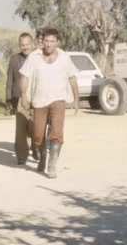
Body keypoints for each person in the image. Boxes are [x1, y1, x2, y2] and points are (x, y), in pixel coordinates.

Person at [18, 28, 78, 178]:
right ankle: (42, 156)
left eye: (52, 41)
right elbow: (24, 76)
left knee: (56, 132)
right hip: (39, 101)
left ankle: (52, 165)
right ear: (42, 41)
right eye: (46, 41)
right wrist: (23, 94)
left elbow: (72, 77)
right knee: (38, 134)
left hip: (58, 99)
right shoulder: (34, 57)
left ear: (57, 42)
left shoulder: (64, 57)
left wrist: (76, 98)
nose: (49, 44)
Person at [6, 32, 41, 166]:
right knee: (20, 129)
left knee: (36, 126)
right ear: (19, 45)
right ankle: (21, 155)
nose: (25, 47)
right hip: (19, 98)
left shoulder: (39, 58)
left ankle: (36, 148)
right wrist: (8, 98)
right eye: (22, 45)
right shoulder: (14, 59)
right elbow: (10, 80)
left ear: (32, 44)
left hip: (36, 98)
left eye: (27, 44)